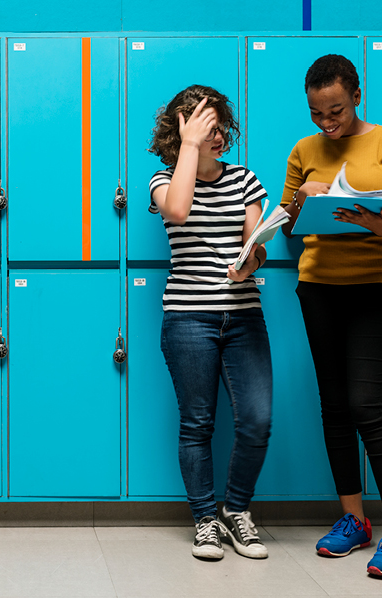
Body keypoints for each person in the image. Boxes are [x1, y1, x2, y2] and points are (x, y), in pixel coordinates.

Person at [279, 54, 382, 579]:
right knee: (335, 406)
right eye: (318, 113)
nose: (327, 123)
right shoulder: (303, 150)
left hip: (373, 286)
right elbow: (290, 225)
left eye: (336, 110)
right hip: (318, 287)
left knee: (367, 404)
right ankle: (353, 521)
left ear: (356, 95)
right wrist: (300, 197)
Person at [149, 85, 273, 561]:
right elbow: (178, 211)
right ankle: (204, 519)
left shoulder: (244, 179)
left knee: (257, 420)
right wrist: (190, 146)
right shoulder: (163, 181)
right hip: (188, 317)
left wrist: (251, 262)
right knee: (197, 423)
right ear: (182, 129)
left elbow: (255, 245)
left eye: (220, 126)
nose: (218, 134)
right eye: (208, 126)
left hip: (243, 315)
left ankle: (236, 511)